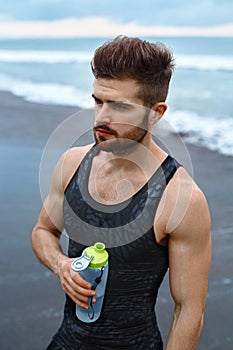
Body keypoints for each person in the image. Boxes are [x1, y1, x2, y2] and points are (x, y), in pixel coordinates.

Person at [31, 36, 212, 350]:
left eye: (119, 107)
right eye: (98, 101)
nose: (101, 118)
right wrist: (62, 265)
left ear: (155, 113)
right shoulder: (73, 163)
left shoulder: (180, 198)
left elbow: (188, 311)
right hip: (66, 342)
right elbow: (43, 231)